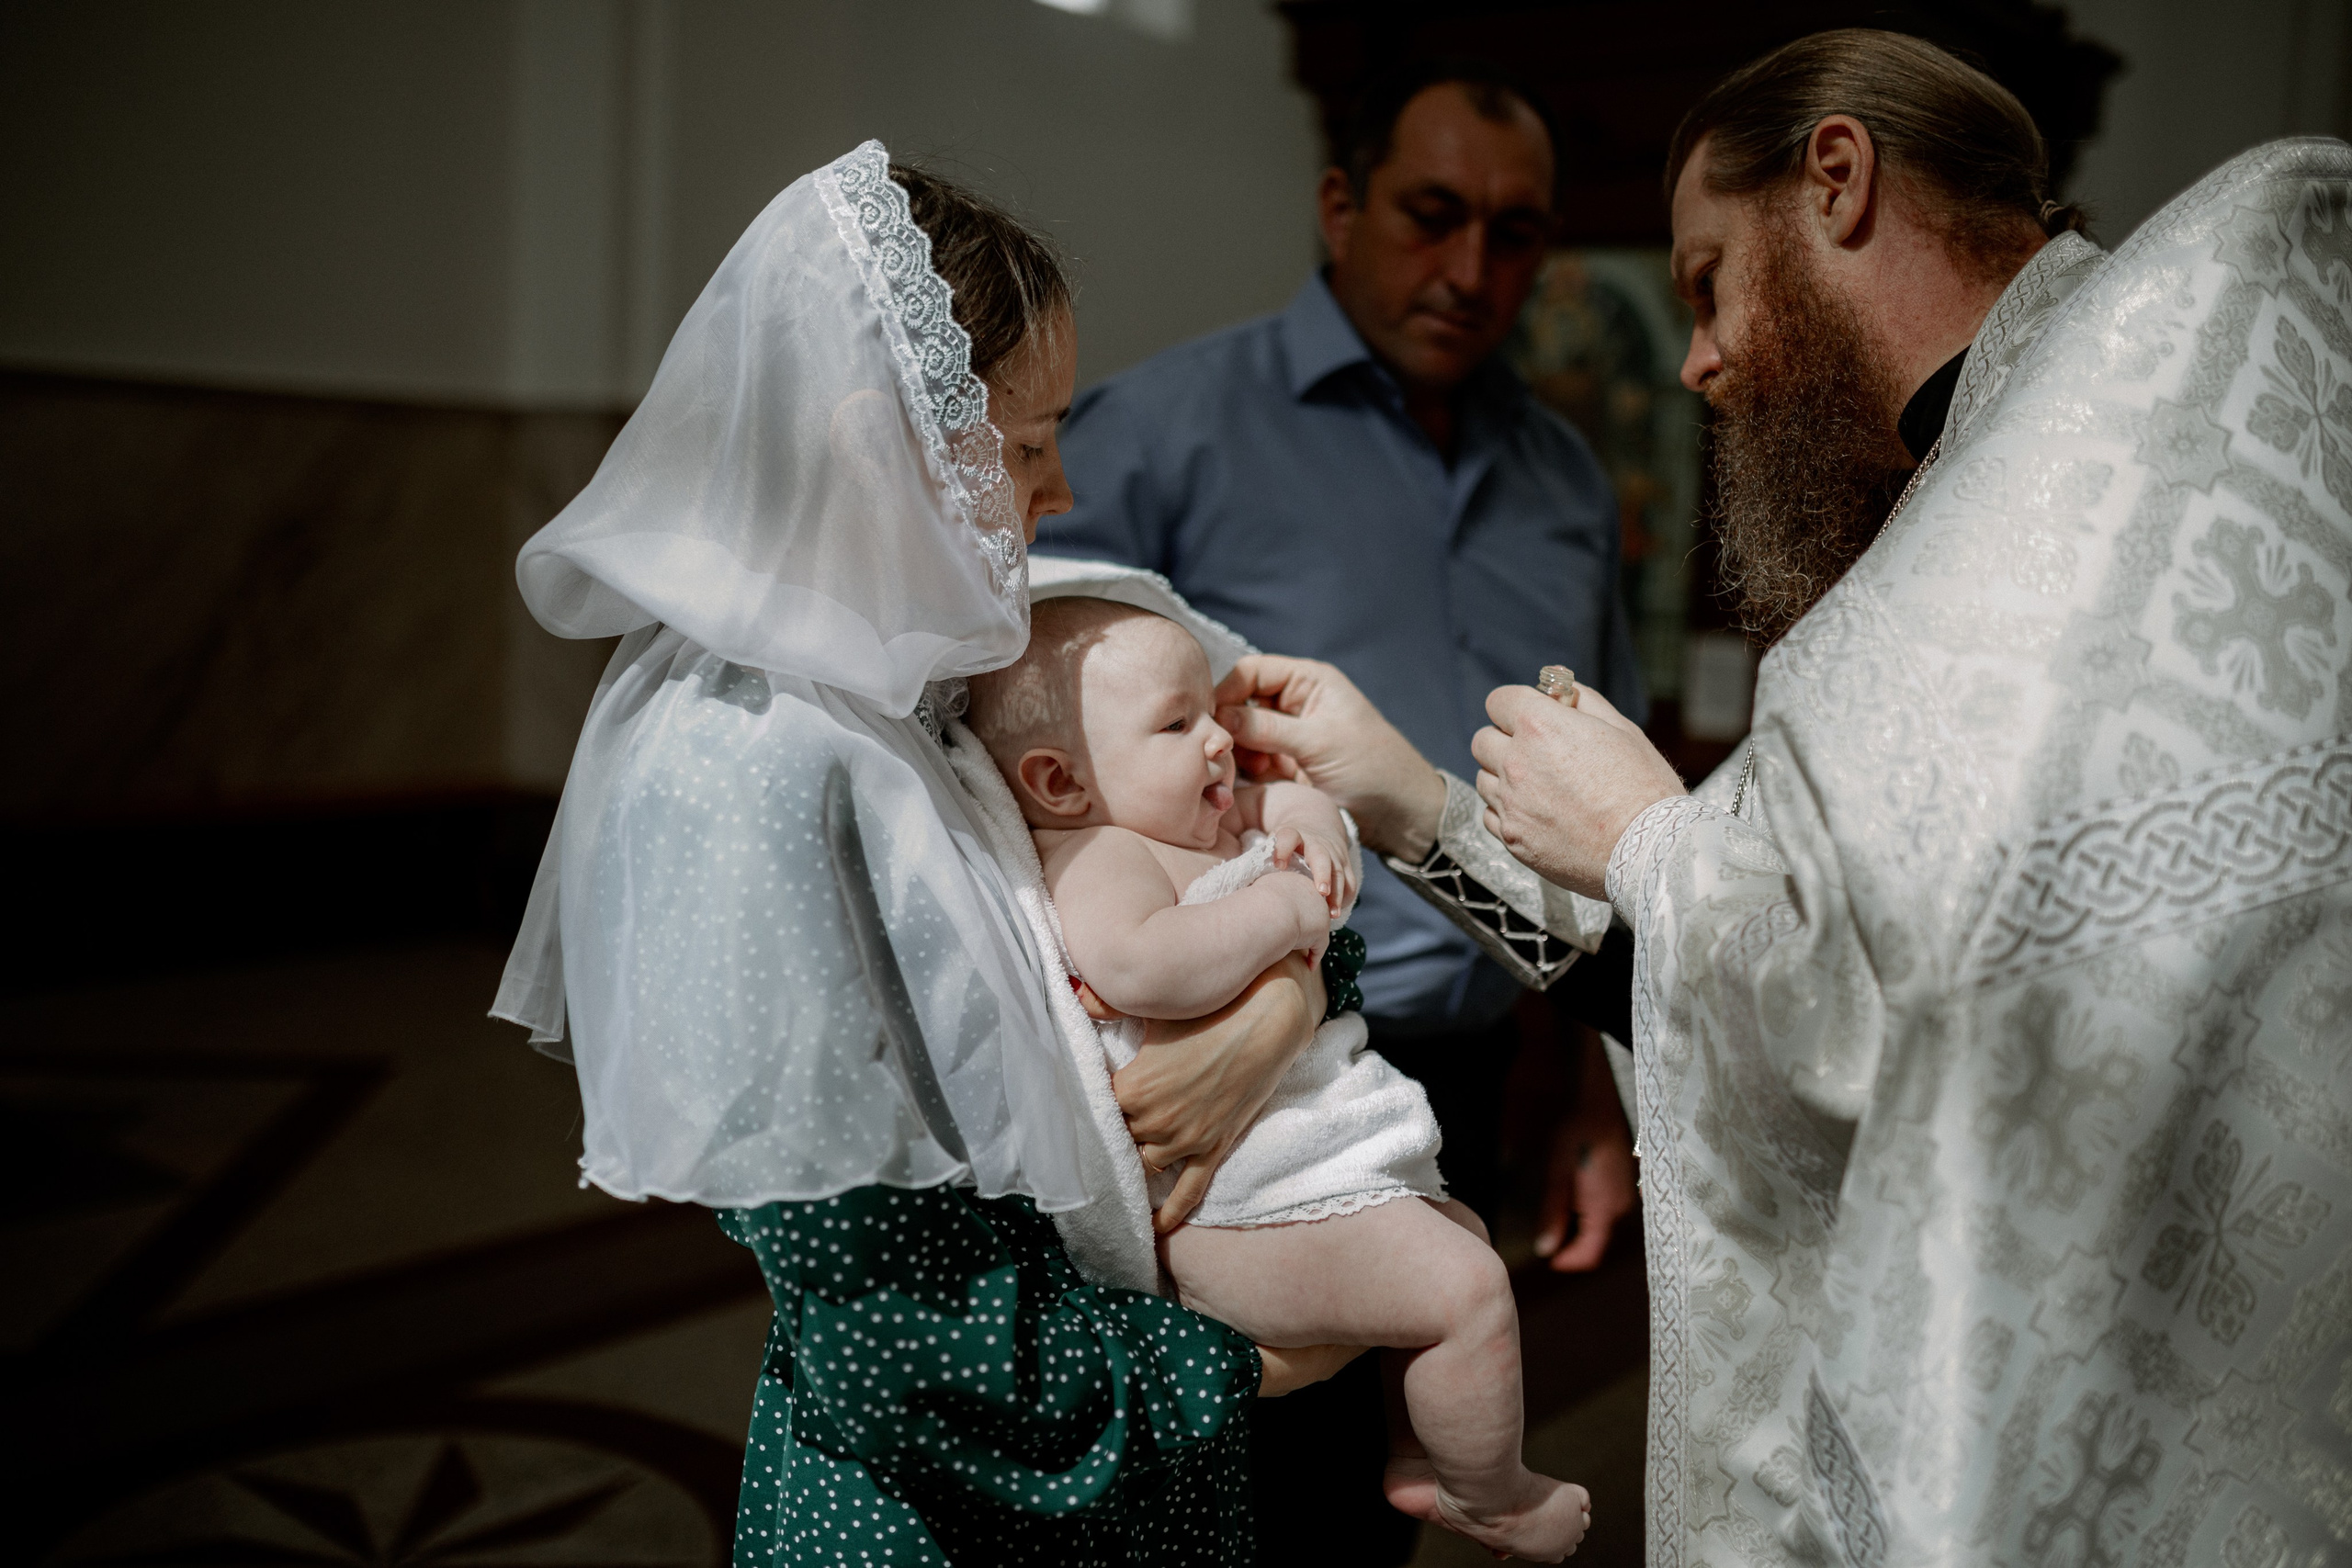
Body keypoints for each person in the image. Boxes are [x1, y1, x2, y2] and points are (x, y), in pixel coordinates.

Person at [1223, 29, 2352, 1568]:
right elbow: (1740, 983)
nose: (1693, 358)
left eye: (1703, 283)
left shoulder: (2095, 450)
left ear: (1836, 178)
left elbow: (1845, 1000)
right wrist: (1418, 806)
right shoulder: (1991, 501)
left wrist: (1642, 833)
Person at [490, 142, 1360, 1566]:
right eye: (1024, 445)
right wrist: (1244, 1361)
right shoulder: (743, 765)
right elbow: (885, 1321)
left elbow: (1239, 845)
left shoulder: (933, 667)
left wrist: (1278, 1010)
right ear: (865, 437)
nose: (1060, 489)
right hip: (951, 1500)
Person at [1036, 58, 1643, 1561]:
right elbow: (1021, 776)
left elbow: (1600, 817)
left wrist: (1591, 1093)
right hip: (1211, 1065)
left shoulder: (1568, 477)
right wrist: (1248, 999)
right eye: (1432, 216)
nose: (1470, 270)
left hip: (1470, 1057)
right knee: (1233, 1484)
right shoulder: (1159, 433)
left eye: (1514, 235)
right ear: (1340, 201)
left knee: (1420, 1432)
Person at [967, 595, 1592, 1560]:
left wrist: (1310, 825)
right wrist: (1286, 916)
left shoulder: (1195, 818)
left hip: (1301, 1166)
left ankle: (1427, 1455)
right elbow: (1138, 964)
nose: (1220, 742)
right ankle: (1490, 1497)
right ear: (1058, 782)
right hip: (1230, 1212)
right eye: (1177, 725)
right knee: (1468, 1289)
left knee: (1459, 1246)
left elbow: (1298, 803)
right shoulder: (1103, 853)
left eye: (1211, 714)